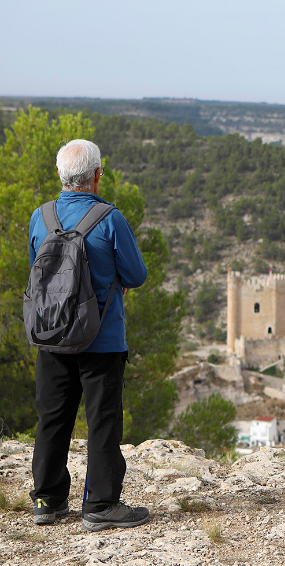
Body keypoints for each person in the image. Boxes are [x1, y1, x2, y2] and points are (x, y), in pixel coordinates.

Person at [28, 139, 150, 530]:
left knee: (52, 418)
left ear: (60, 175)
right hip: (102, 339)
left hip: (51, 335)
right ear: (98, 175)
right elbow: (137, 275)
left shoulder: (40, 217)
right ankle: (100, 504)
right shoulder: (109, 219)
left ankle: (47, 500)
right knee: (102, 422)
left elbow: (37, 270)